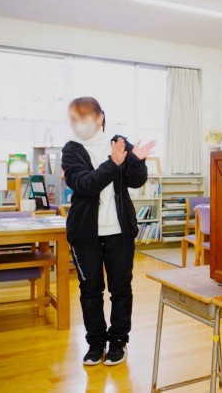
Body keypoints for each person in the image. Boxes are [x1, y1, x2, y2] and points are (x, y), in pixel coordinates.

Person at [62, 97, 156, 366]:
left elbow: (135, 181)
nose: (78, 124)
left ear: (100, 117)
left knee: (120, 289)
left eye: (84, 117)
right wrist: (113, 164)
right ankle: (95, 343)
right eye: (74, 119)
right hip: (85, 234)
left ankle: (118, 341)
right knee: (90, 290)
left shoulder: (119, 143)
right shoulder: (71, 150)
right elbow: (85, 184)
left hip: (119, 232)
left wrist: (137, 161)